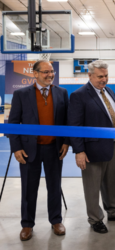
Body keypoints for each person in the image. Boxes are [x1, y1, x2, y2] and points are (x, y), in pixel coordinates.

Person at [68, 60, 115, 234]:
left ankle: (114, 212)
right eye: (100, 76)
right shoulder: (79, 95)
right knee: (92, 186)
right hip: (91, 150)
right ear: (89, 75)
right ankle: (95, 219)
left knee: (113, 183)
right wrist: (79, 151)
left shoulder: (109, 91)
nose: (104, 79)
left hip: (113, 145)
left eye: (106, 75)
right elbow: (74, 126)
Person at [8, 60, 69, 241]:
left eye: (52, 72)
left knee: (54, 186)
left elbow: (66, 121)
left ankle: (56, 220)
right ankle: (27, 224)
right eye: (45, 72)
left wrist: (65, 142)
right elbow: (13, 124)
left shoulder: (62, 93)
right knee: (28, 189)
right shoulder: (21, 94)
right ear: (35, 74)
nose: (50, 75)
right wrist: (16, 148)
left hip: (54, 149)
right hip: (28, 150)